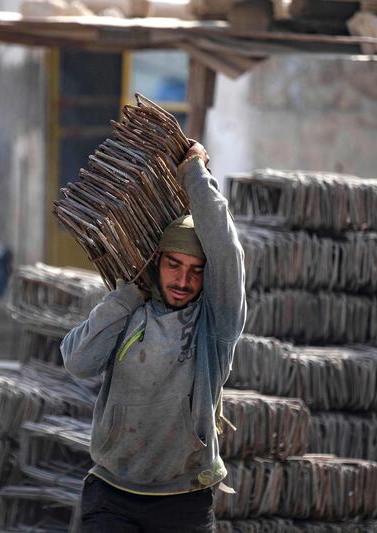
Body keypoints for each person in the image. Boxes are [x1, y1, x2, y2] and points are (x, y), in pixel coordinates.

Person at [60, 141, 246, 532]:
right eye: (174, 264)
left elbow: (226, 251)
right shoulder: (128, 311)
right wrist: (126, 296)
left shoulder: (214, 325)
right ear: (156, 261)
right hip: (112, 492)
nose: (183, 280)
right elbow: (78, 362)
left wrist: (195, 172)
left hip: (184, 500)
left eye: (196, 270)